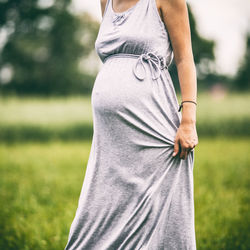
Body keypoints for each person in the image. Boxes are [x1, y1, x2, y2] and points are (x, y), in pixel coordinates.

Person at [65, 0, 198, 249]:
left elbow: (184, 59)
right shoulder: (106, 1)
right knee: (99, 206)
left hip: (152, 127)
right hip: (111, 139)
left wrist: (188, 121)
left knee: (154, 213)